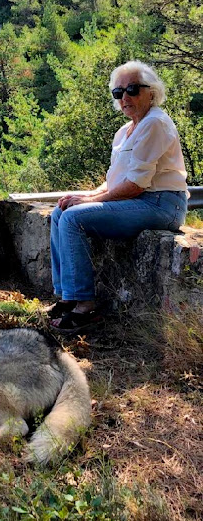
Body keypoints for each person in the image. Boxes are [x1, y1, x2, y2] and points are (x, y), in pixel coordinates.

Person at [49, 60, 188, 333]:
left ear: (151, 92)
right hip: (139, 201)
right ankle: (67, 297)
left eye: (132, 89)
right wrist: (85, 195)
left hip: (162, 204)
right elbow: (115, 182)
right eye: (118, 92)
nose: (125, 97)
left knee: (73, 218)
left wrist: (88, 203)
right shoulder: (124, 132)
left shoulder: (155, 123)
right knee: (60, 212)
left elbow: (136, 185)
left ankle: (85, 308)